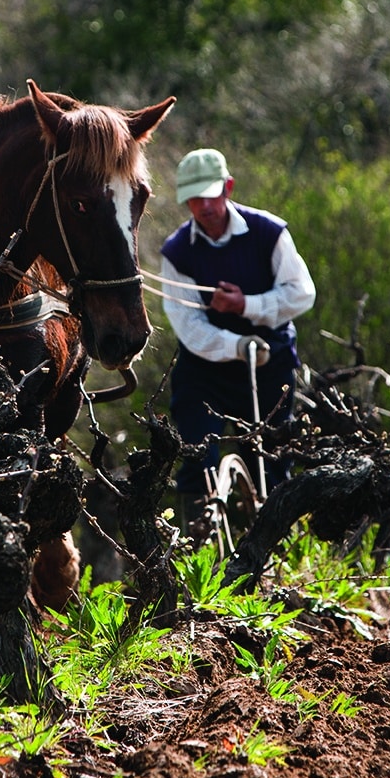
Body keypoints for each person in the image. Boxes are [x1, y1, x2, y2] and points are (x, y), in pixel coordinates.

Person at [160, 148, 316, 528]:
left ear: (228, 188)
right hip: (204, 374)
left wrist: (246, 305)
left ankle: (276, 547)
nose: (203, 206)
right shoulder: (176, 252)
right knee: (198, 461)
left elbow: (301, 294)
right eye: (194, 198)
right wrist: (236, 345)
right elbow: (188, 326)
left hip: (271, 367)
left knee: (273, 462)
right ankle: (199, 549)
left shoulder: (269, 233)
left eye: (210, 194)